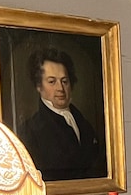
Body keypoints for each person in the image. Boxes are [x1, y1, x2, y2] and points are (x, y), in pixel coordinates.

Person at [17, 48, 106, 181]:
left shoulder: (84, 123)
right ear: (39, 86)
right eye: (52, 82)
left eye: (64, 81)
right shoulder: (30, 130)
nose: (60, 88)